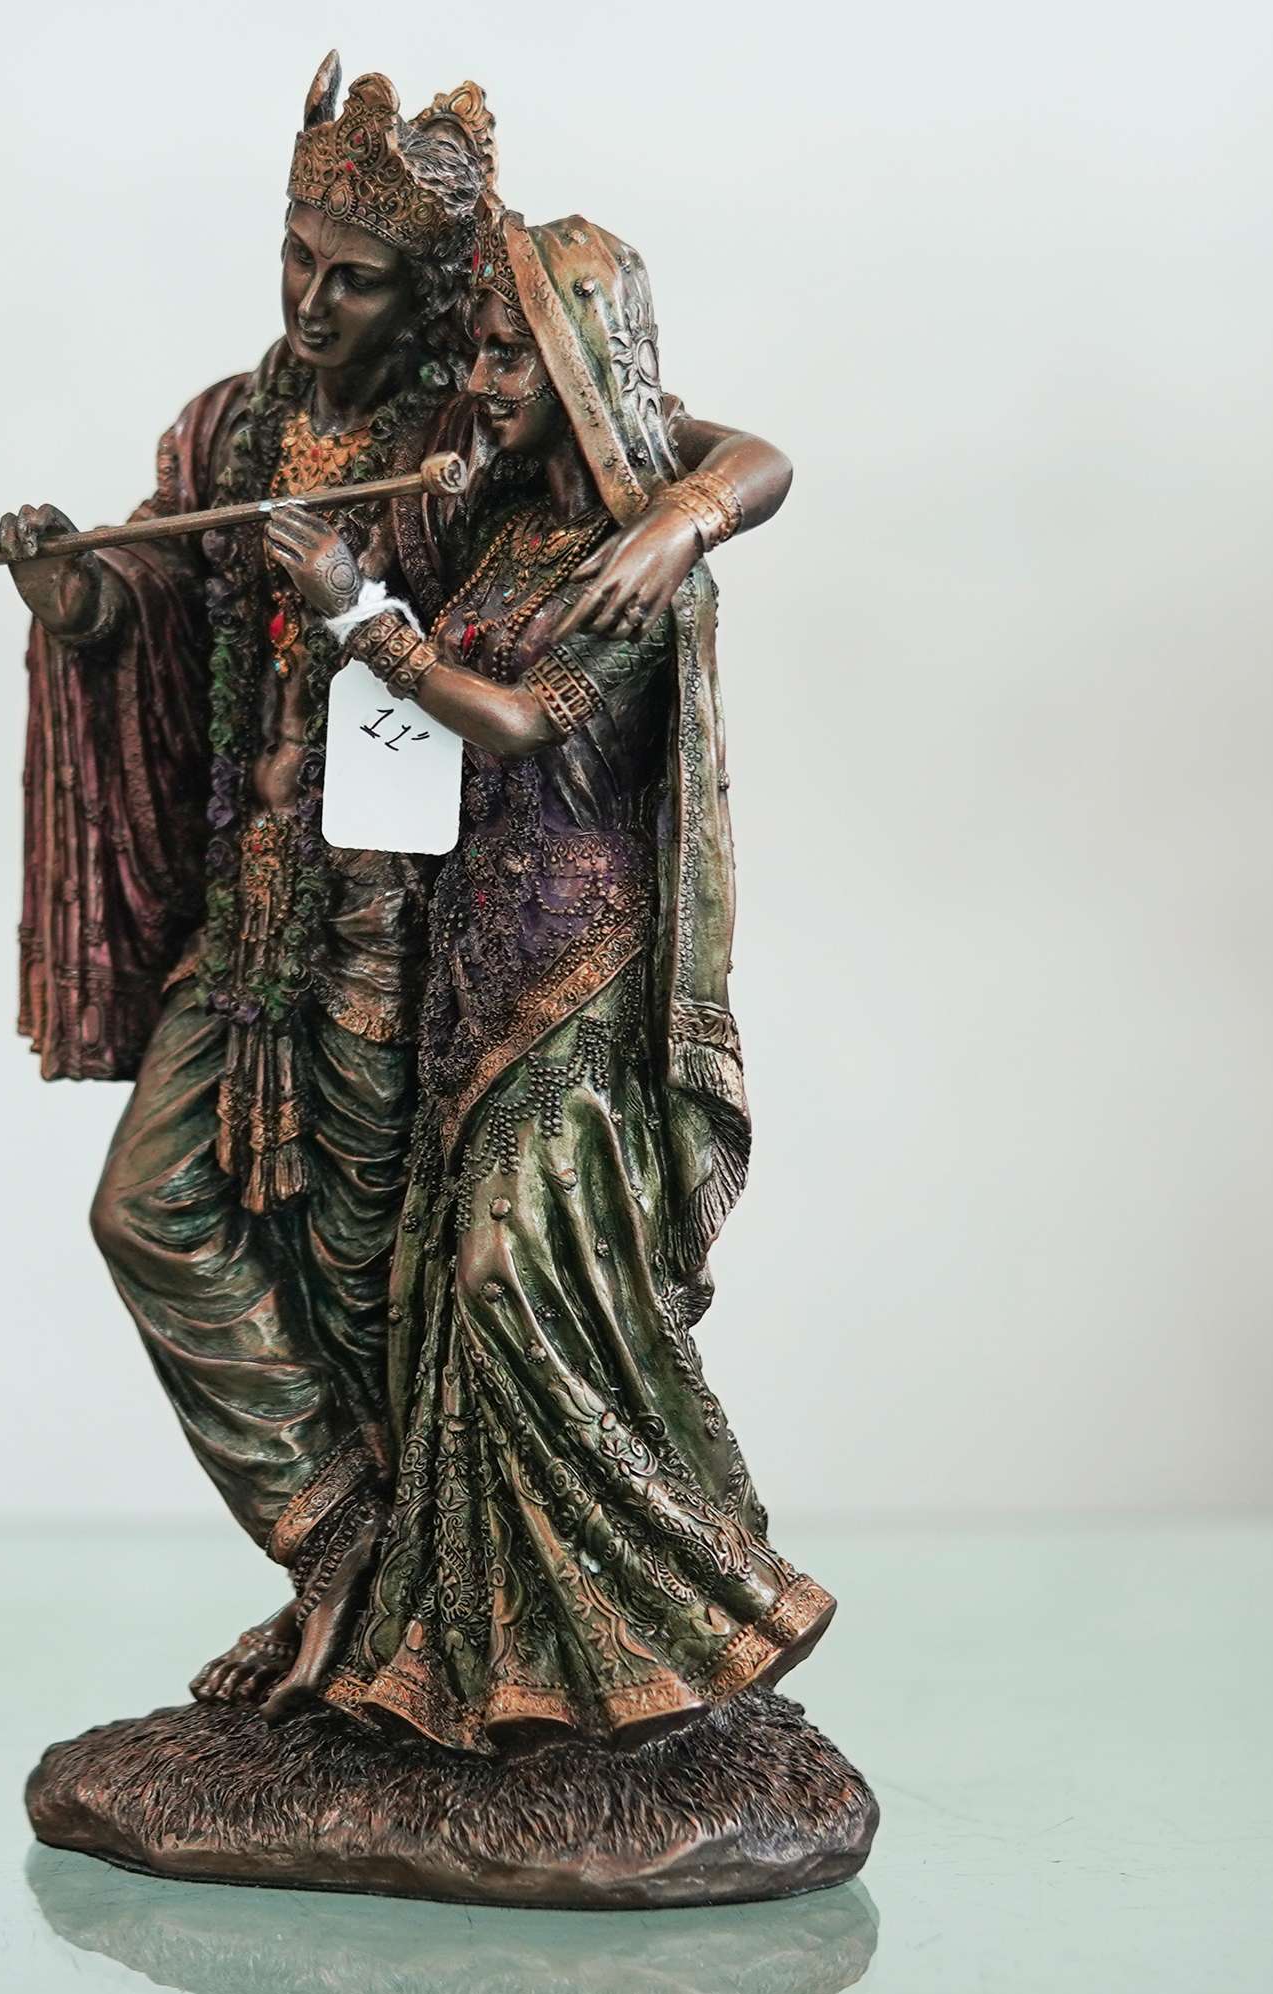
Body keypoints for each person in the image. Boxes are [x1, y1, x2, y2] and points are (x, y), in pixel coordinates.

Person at [266, 210, 832, 1750]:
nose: (485, 381)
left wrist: (362, 620)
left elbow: (521, 721)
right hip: (472, 956)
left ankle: (707, 1607)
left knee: (517, 1280)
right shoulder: (516, 521)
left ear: (584, 367)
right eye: (484, 351)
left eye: (516, 357)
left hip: (578, 969)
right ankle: (505, 1661)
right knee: (444, 1312)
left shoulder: (638, 561)